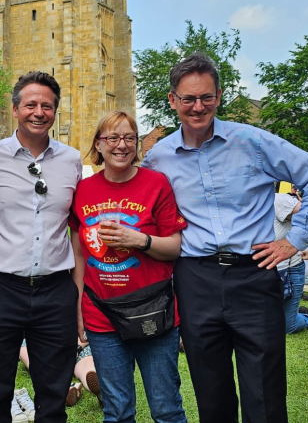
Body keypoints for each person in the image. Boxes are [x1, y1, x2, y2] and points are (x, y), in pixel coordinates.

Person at [141, 53, 308, 423]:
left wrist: (296, 239)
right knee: (210, 390)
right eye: (188, 98)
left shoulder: (253, 141)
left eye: (206, 97)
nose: (198, 107)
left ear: (219, 95)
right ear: (172, 100)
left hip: (254, 275)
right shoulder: (159, 157)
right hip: (195, 279)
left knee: (265, 390)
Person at [0, 71, 82, 423]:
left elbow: (77, 230)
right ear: (15, 108)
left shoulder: (72, 160)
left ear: (56, 111)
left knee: (53, 392)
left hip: (55, 291)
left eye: (47, 105)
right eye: (31, 104)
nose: (39, 112)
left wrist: (78, 294)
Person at [70, 110, 188, 423]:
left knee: (166, 409)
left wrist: (137, 239)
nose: (121, 145)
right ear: (99, 143)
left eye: (129, 138)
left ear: (136, 144)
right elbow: (80, 253)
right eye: (112, 137)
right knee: (117, 411)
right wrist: (77, 304)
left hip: (153, 311)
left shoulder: (156, 184)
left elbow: (175, 247)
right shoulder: (82, 191)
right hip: (101, 313)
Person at [273, 193, 308, 333]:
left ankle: (306, 316)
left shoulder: (279, 200)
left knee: (287, 326)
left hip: (289, 271)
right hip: (258, 271)